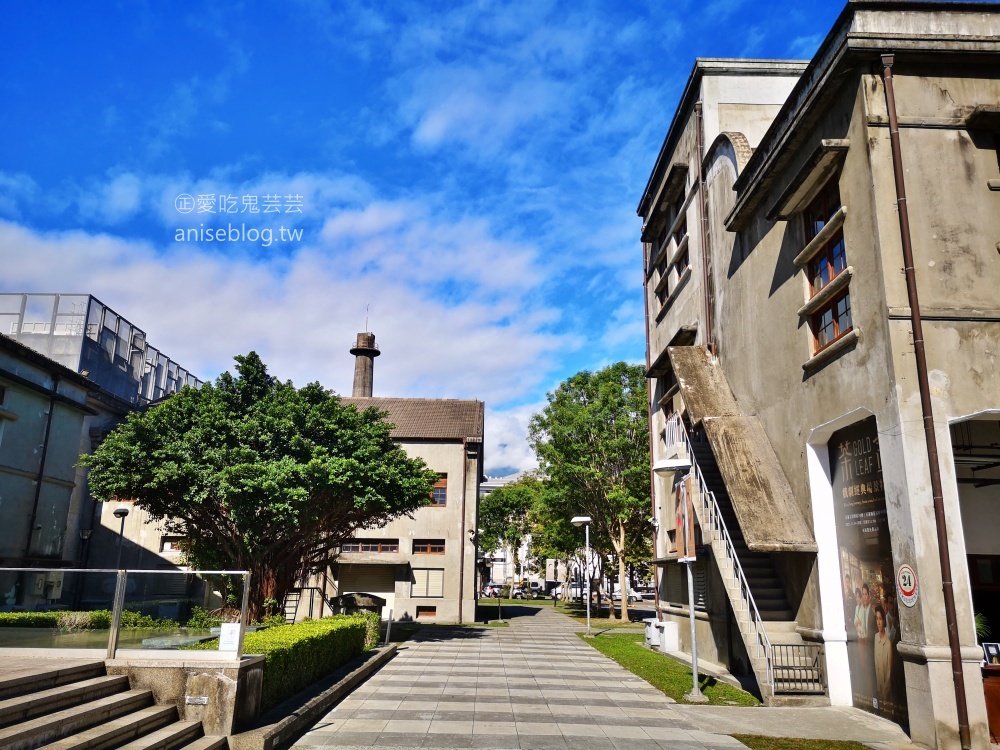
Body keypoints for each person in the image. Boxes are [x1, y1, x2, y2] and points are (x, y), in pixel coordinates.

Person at [873, 604, 894, 709]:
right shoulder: (876, 638)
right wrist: (878, 689)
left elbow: (889, 672)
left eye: (880, 619)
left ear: (884, 621)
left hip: (886, 692)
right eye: (877, 619)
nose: (878, 622)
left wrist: (884, 693)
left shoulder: (888, 643)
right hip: (879, 688)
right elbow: (876, 664)